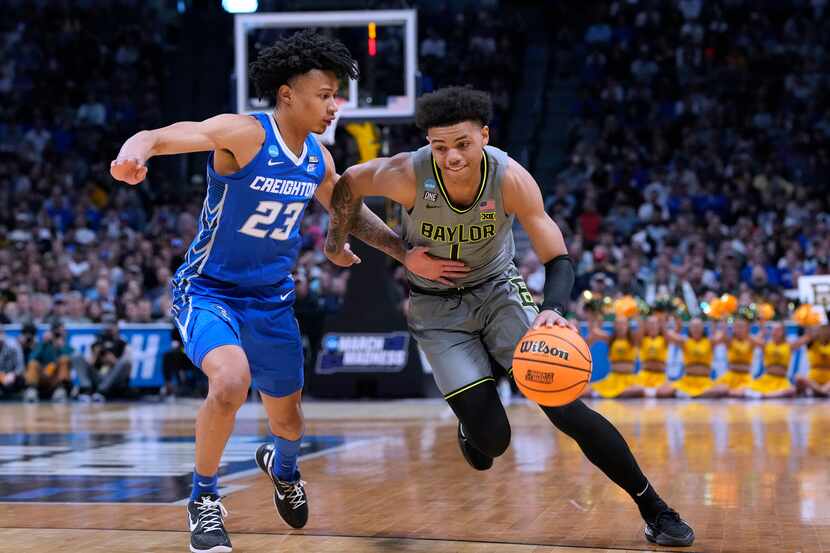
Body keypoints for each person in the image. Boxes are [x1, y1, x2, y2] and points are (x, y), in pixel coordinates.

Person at [111, 30, 454, 553]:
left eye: (336, 95)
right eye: (325, 94)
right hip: (210, 290)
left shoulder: (316, 157)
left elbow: (346, 206)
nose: (334, 105)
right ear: (288, 95)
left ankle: (283, 466)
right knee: (229, 382)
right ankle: (204, 501)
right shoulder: (245, 133)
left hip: (271, 300)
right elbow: (163, 135)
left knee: (288, 418)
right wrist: (135, 151)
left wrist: (402, 252)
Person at [324, 86, 694, 547]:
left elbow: (558, 257)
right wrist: (375, 248)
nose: (451, 156)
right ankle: (474, 416)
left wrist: (553, 310)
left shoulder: (510, 178)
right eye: (440, 147)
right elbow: (346, 185)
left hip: (499, 291)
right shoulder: (406, 173)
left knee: (565, 408)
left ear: (484, 135)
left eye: (462, 144)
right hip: (435, 306)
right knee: (491, 444)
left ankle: (655, 508)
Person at [75, 316, 133, 402]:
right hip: (98, 375)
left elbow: (127, 368)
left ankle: (102, 391)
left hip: (113, 378)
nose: (109, 329)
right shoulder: (96, 343)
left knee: (126, 361)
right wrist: (96, 354)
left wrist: (113, 361)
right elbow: (89, 364)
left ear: (117, 327)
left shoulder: (123, 343)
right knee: (77, 356)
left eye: (111, 326)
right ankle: (86, 389)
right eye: (107, 326)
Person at [24, 321, 73, 403]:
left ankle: (60, 390)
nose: (60, 334)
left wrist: (61, 347)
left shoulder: (65, 345)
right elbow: (32, 357)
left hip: (55, 377)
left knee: (64, 359)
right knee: (33, 363)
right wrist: (44, 343)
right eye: (58, 332)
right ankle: (31, 390)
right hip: (43, 374)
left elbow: (72, 358)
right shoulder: (43, 344)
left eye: (62, 331)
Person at [796, 324, 830, 397]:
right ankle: (822, 391)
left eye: (827, 330)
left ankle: (820, 391)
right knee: (799, 377)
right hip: (814, 380)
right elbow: (797, 344)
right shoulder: (812, 343)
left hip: (828, 380)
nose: (825, 332)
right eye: (822, 330)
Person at [0, 325, 25, 399]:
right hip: (1, 375)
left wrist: (13, 374)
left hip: (12, 376)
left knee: (21, 380)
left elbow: (20, 366)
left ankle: (17, 393)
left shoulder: (14, 345)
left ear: (3, 333)